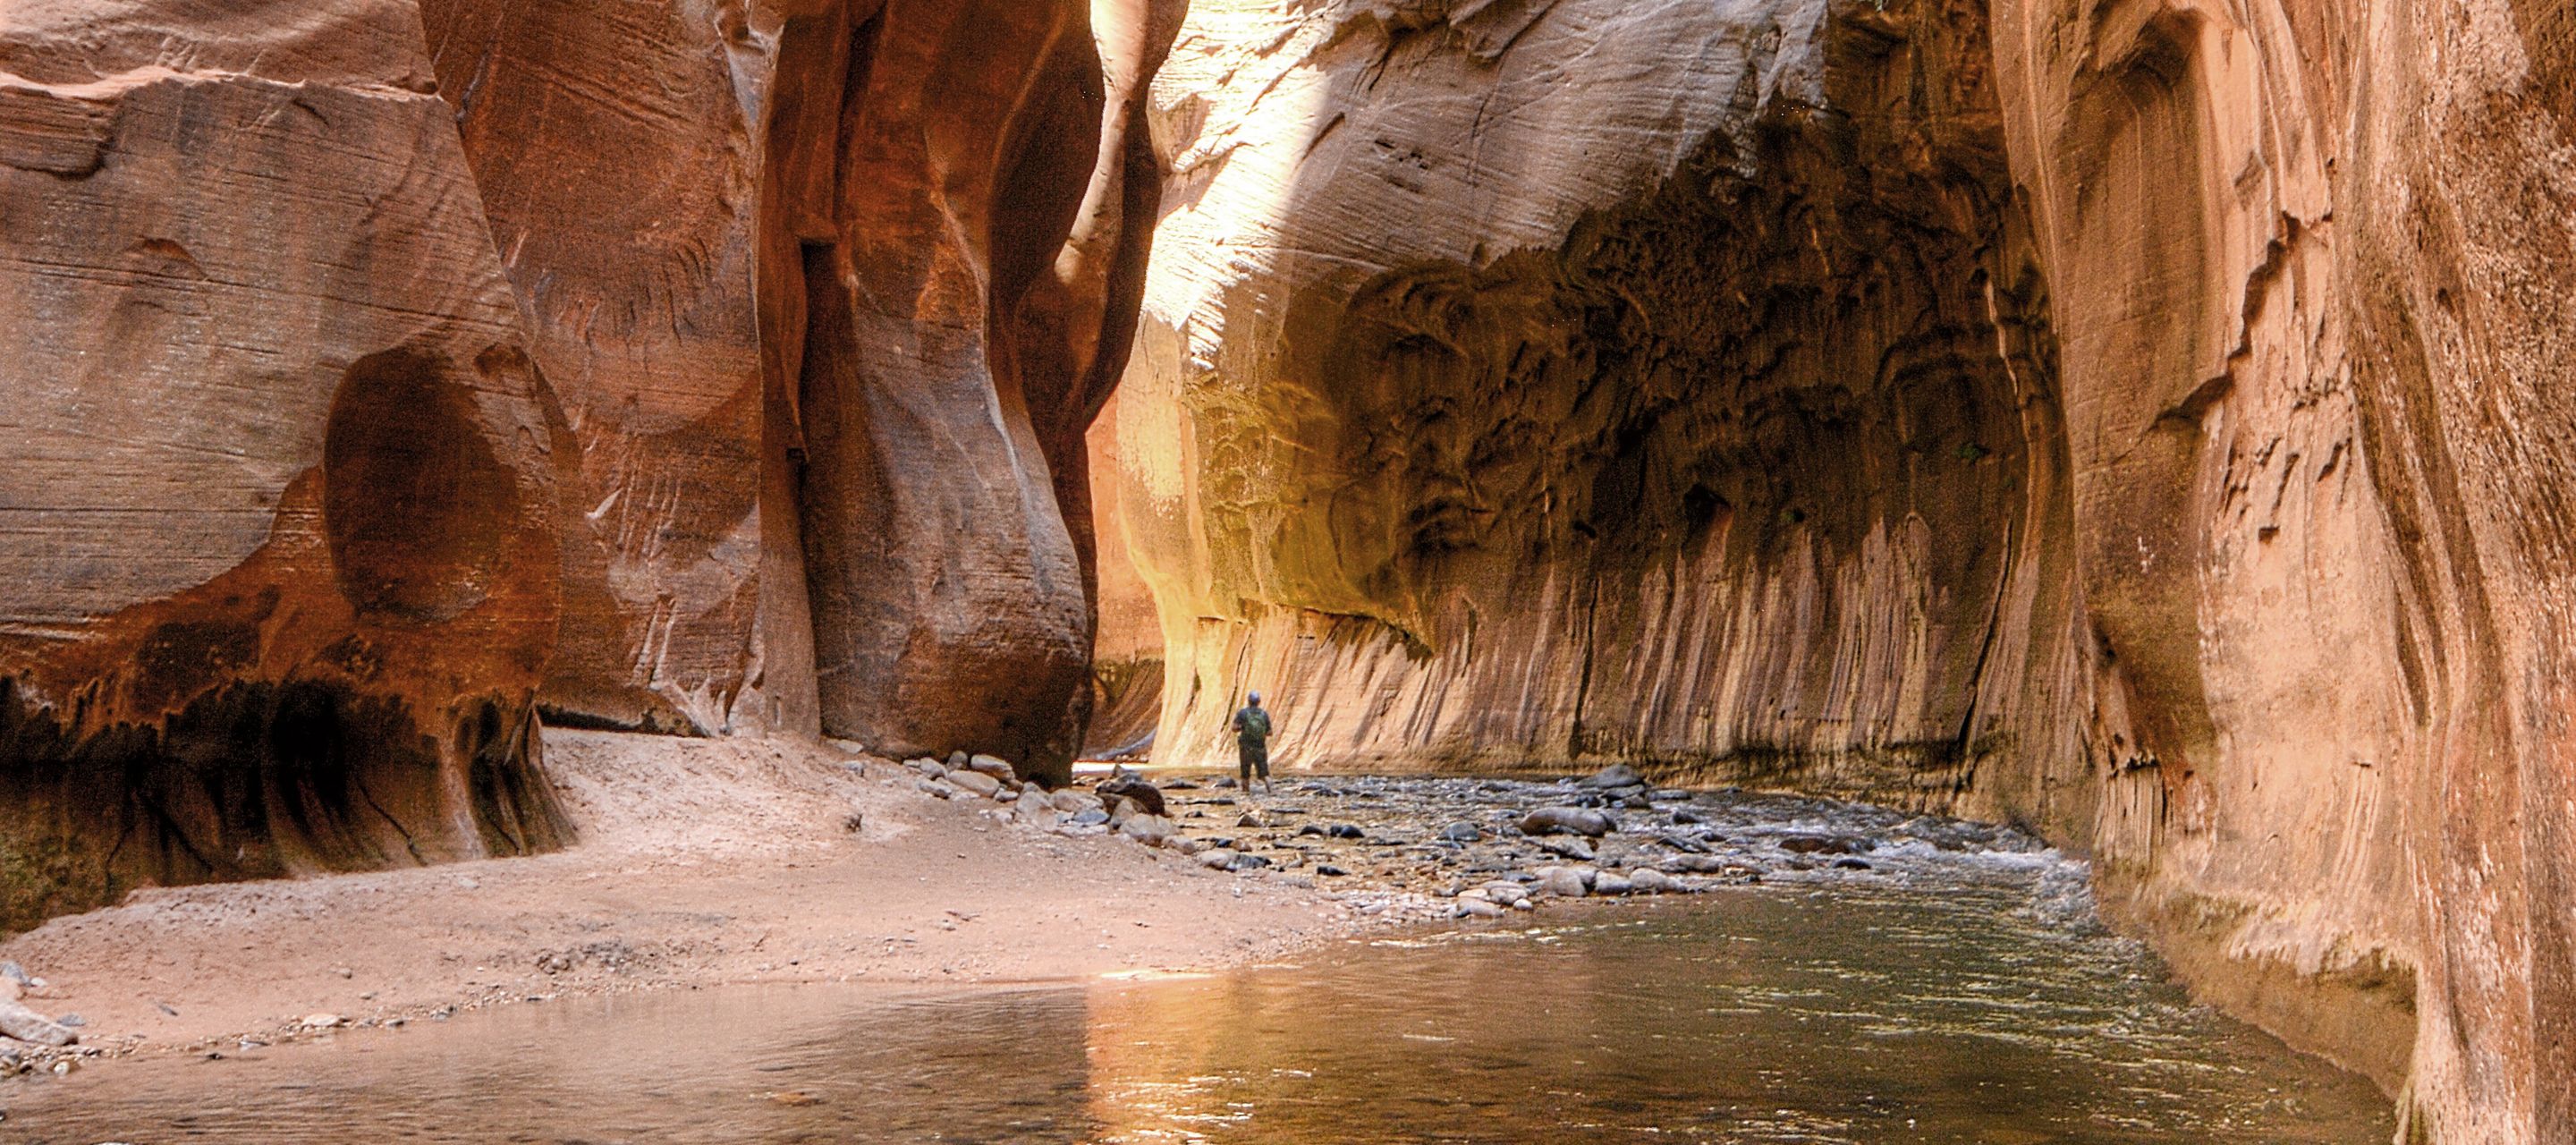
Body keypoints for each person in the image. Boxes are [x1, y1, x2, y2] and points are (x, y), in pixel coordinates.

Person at [1232, 691, 1274, 793]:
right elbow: (1270, 733)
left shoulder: (1243, 713)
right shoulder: (1264, 714)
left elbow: (1234, 728)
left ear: (1249, 701)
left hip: (1246, 747)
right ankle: (1270, 791)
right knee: (1264, 774)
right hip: (1260, 747)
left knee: (1245, 774)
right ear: (1259, 701)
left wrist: (1242, 728)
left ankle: (1245, 794)